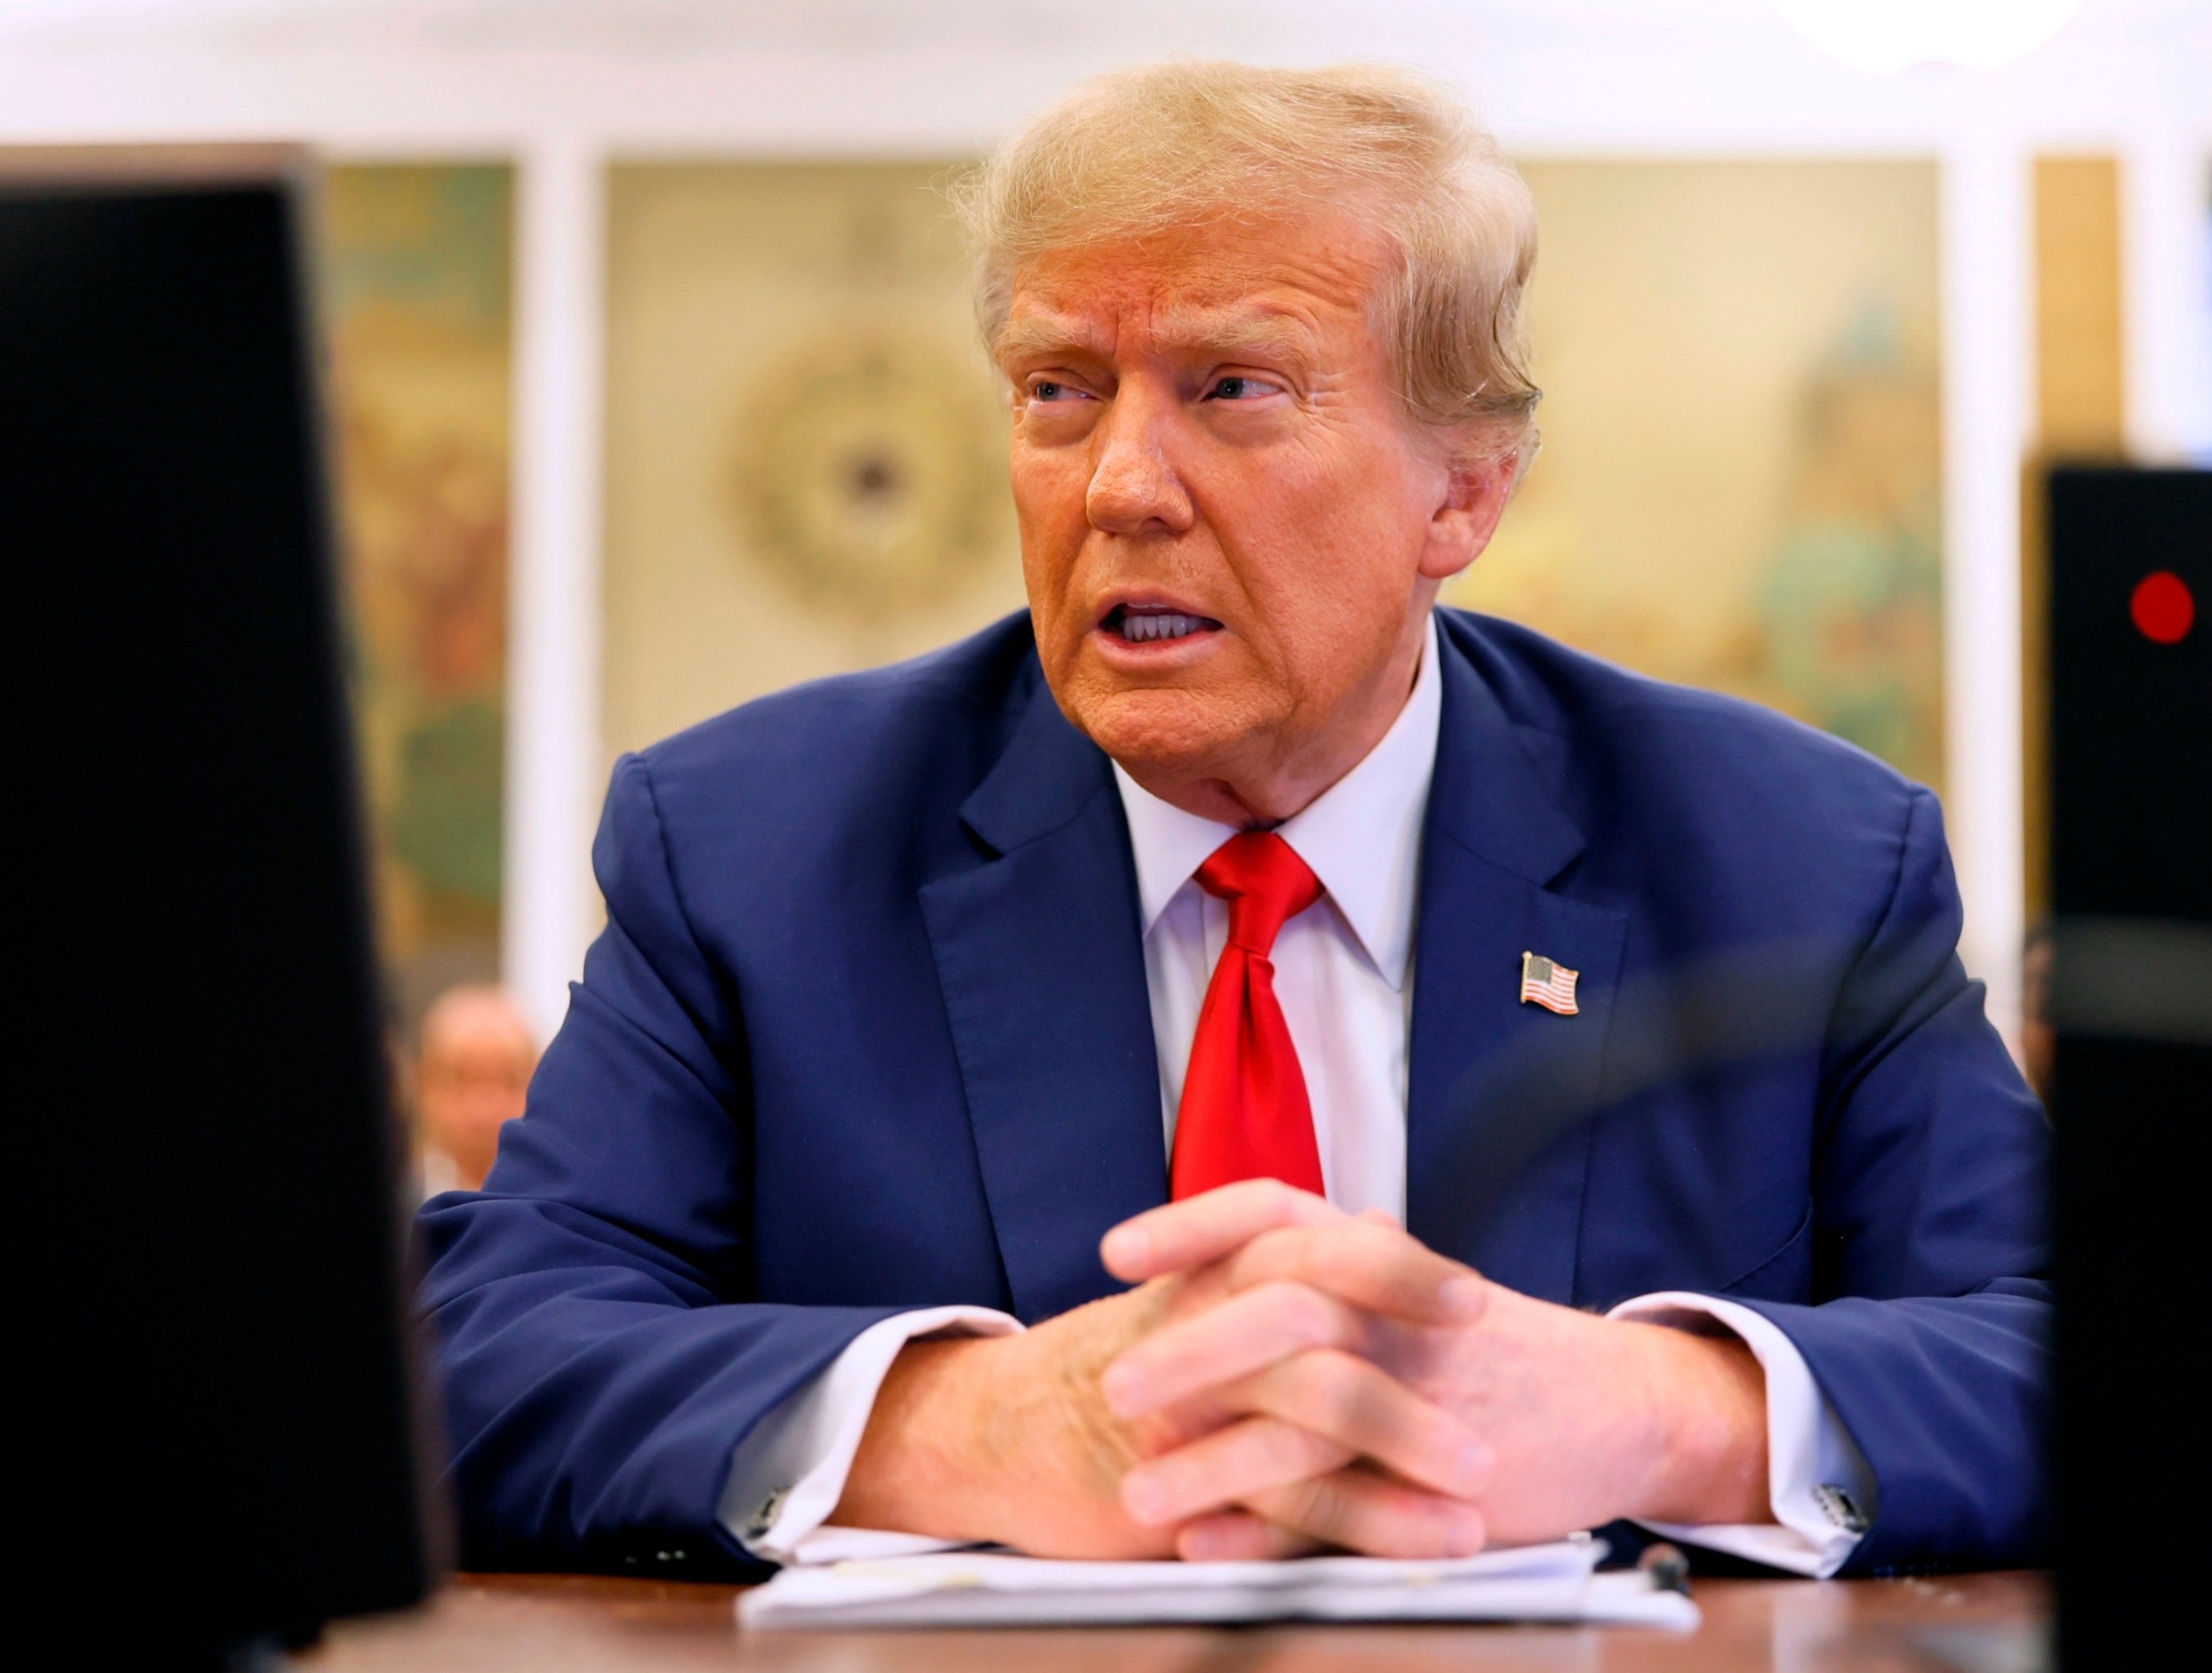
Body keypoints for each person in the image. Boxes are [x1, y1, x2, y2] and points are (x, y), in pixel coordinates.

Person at [419, 61, 2049, 1579]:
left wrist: (1657, 1409)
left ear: (1463, 490)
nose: (1121, 482)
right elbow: (478, 1354)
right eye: (1059, 390)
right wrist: (966, 1429)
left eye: (1235, 387)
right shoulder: (751, 853)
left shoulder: (1798, 866)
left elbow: (2074, 1348)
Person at [412, 985, 537, 1197]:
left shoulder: (563, 1212)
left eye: (508, 1083)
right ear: (425, 1089)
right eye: (462, 1082)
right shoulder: (396, 1205)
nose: (484, 1112)